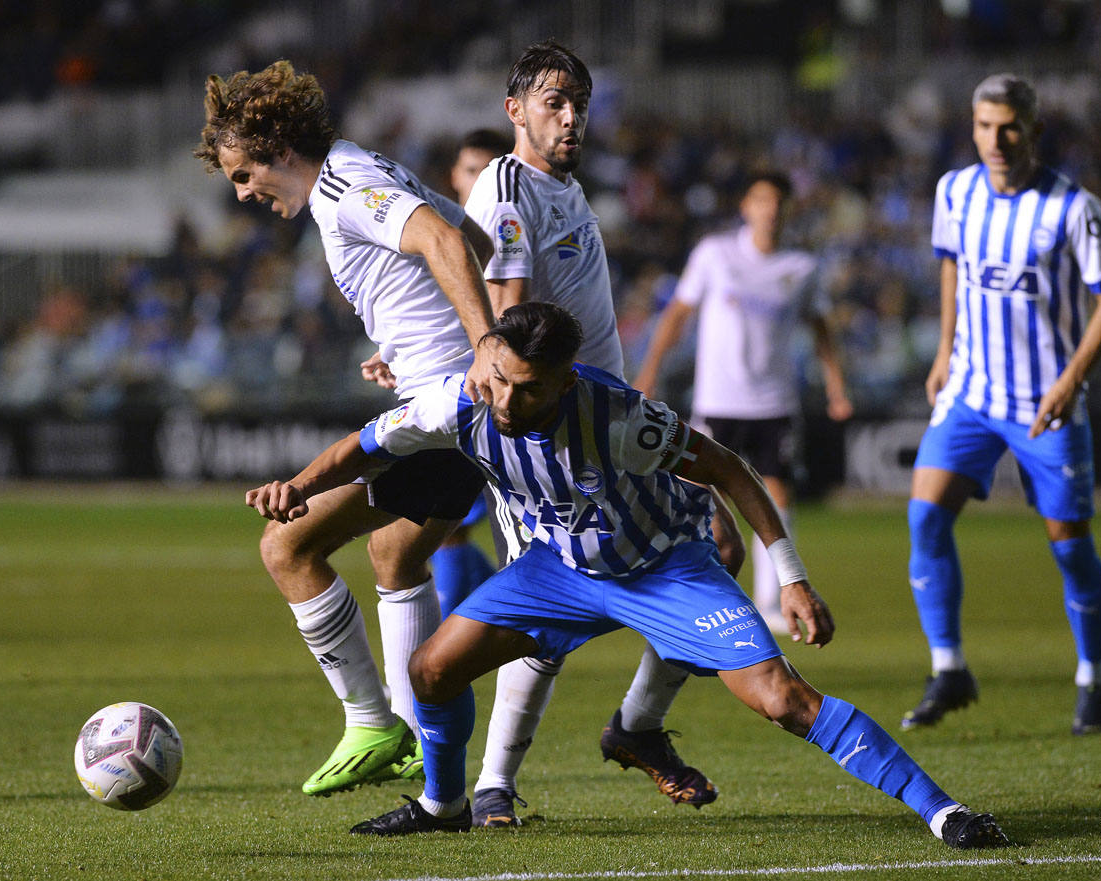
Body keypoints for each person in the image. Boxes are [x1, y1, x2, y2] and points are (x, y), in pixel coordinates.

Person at [245, 301, 1011, 850]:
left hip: (664, 568)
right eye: (501, 378)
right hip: (557, 572)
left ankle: (943, 812)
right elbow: (367, 443)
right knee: (430, 670)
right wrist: (299, 486)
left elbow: (730, 470)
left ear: (566, 381)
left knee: (782, 700)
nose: (508, 399)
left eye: (528, 389)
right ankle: (445, 803)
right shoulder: (462, 399)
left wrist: (792, 576)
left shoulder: (618, 417)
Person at [195, 60, 499, 796]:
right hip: (450, 398)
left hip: (449, 410)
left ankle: (372, 720)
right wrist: (406, 346)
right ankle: (429, 770)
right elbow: (478, 247)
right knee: (397, 555)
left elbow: (448, 245)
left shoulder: (343, 190)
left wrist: (483, 349)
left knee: (287, 542)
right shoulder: (365, 168)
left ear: (275, 148)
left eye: (242, 173)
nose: (242, 192)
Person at [460, 39, 717, 825]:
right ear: (515, 111)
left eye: (578, 103)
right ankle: (492, 784)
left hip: (607, 420)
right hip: (558, 433)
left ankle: (636, 726)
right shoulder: (508, 188)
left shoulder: (562, 186)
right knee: (547, 610)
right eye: (552, 103)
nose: (570, 118)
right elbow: (507, 326)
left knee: (709, 554)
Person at [901, 74, 1101, 735]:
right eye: (983, 126)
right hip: (969, 392)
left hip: (1044, 403)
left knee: (1069, 548)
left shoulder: (1071, 207)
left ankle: (1092, 676)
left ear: (1032, 130)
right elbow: (949, 265)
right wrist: (944, 350)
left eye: (1008, 128)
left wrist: (1071, 380)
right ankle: (948, 668)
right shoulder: (954, 191)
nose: (994, 140)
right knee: (923, 520)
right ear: (970, 127)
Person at [633, 171, 853, 632]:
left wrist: (836, 387)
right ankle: (694, 593)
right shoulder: (716, 255)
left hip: (774, 402)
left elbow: (820, 330)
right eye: (761, 200)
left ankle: (771, 603)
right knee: (697, 501)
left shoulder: (802, 267)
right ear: (746, 207)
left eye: (778, 202)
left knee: (777, 498)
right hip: (718, 401)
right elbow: (678, 313)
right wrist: (651, 368)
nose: (770, 210)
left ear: (789, 210)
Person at [427, 127, 514, 618]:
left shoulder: (511, 233)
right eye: (470, 170)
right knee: (444, 523)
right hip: (451, 393)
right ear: (454, 179)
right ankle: (457, 626)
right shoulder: (445, 237)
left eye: (489, 170)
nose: (479, 180)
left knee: (510, 533)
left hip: (502, 401)